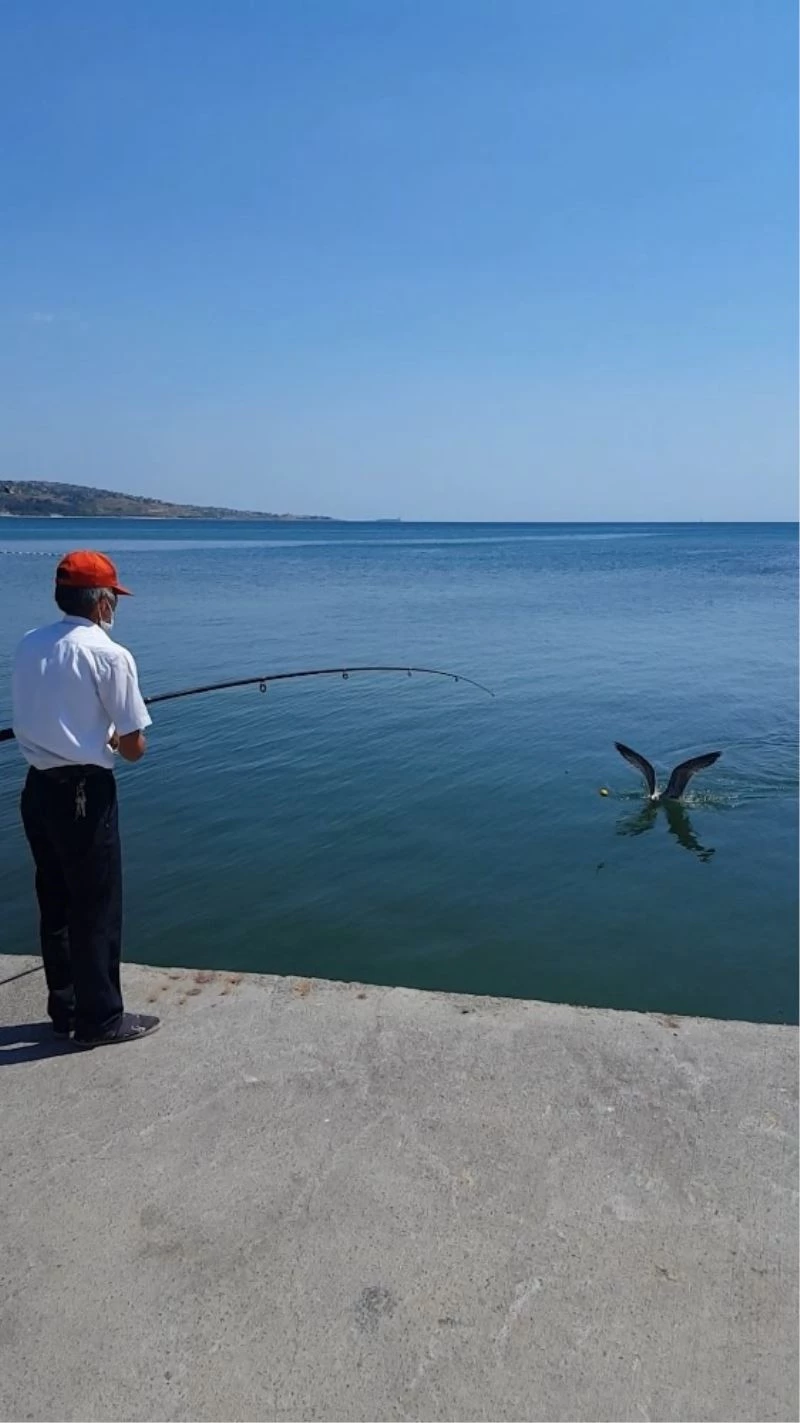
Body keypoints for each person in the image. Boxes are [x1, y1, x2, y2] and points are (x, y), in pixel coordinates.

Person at [12, 549, 160, 1048]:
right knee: (95, 905)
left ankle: (65, 1008)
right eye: (113, 599)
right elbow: (135, 748)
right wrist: (118, 738)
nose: (115, 608)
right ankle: (101, 1019)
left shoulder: (30, 643)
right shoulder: (110, 655)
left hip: (36, 790)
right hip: (84, 795)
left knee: (54, 901)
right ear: (100, 603)